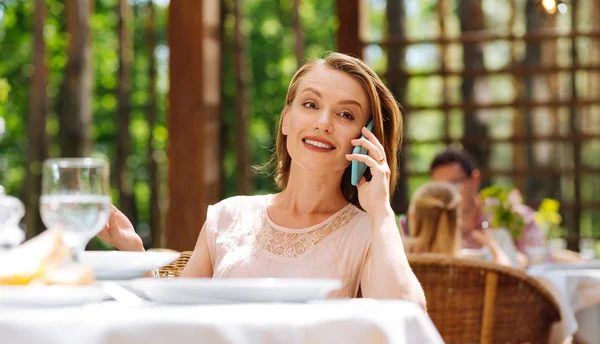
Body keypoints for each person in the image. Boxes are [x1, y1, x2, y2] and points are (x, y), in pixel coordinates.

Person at [98, 52, 426, 307]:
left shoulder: (368, 233)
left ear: (365, 138)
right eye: (310, 104)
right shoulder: (226, 217)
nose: (323, 122)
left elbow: (405, 317)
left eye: (345, 114)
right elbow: (172, 317)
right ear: (286, 121)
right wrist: (135, 253)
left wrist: (381, 211)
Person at [429, 148, 545, 266]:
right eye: (440, 188)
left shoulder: (513, 217)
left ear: (475, 179)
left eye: (455, 184)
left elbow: (541, 262)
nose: (448, 193)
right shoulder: (434, 228)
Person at [404, 181, 512, 266]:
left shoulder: (400, 260)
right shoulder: (471, 266)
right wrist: (493, 246)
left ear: (413, 216)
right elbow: (508, 273)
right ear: (457, 221)